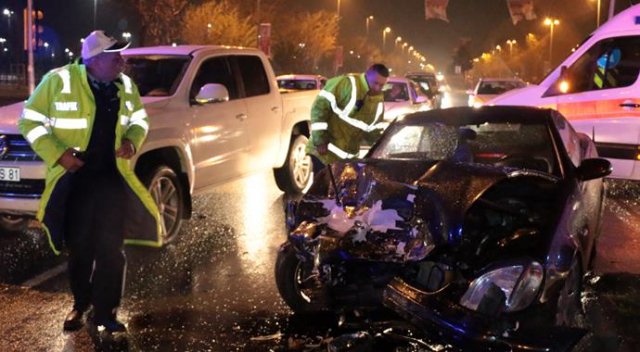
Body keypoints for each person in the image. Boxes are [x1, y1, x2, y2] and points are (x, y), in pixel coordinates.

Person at [18, 30, 161, 333]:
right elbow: (29, 120)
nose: (122, 60)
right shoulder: (59, 81)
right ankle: (80, 305)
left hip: (112, 180)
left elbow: (139, 120)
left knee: (112, 248)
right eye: (115, 55)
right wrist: (59, 155)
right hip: (75, 182)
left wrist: (133, 142)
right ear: (94, 60)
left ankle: (106, 311)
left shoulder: (124, 85)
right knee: (80, 249)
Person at [306, 64, 389, 173]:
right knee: (324, 189)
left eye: (381, 85)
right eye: (375, 83)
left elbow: (374, 132)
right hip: (325, 154)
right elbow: (319, 107)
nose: (377, 88)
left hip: (347, 160)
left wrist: (384, 150)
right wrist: (320, 140)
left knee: (340, 189)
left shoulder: (377, 101)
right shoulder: (347, 84)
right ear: (367, 75)